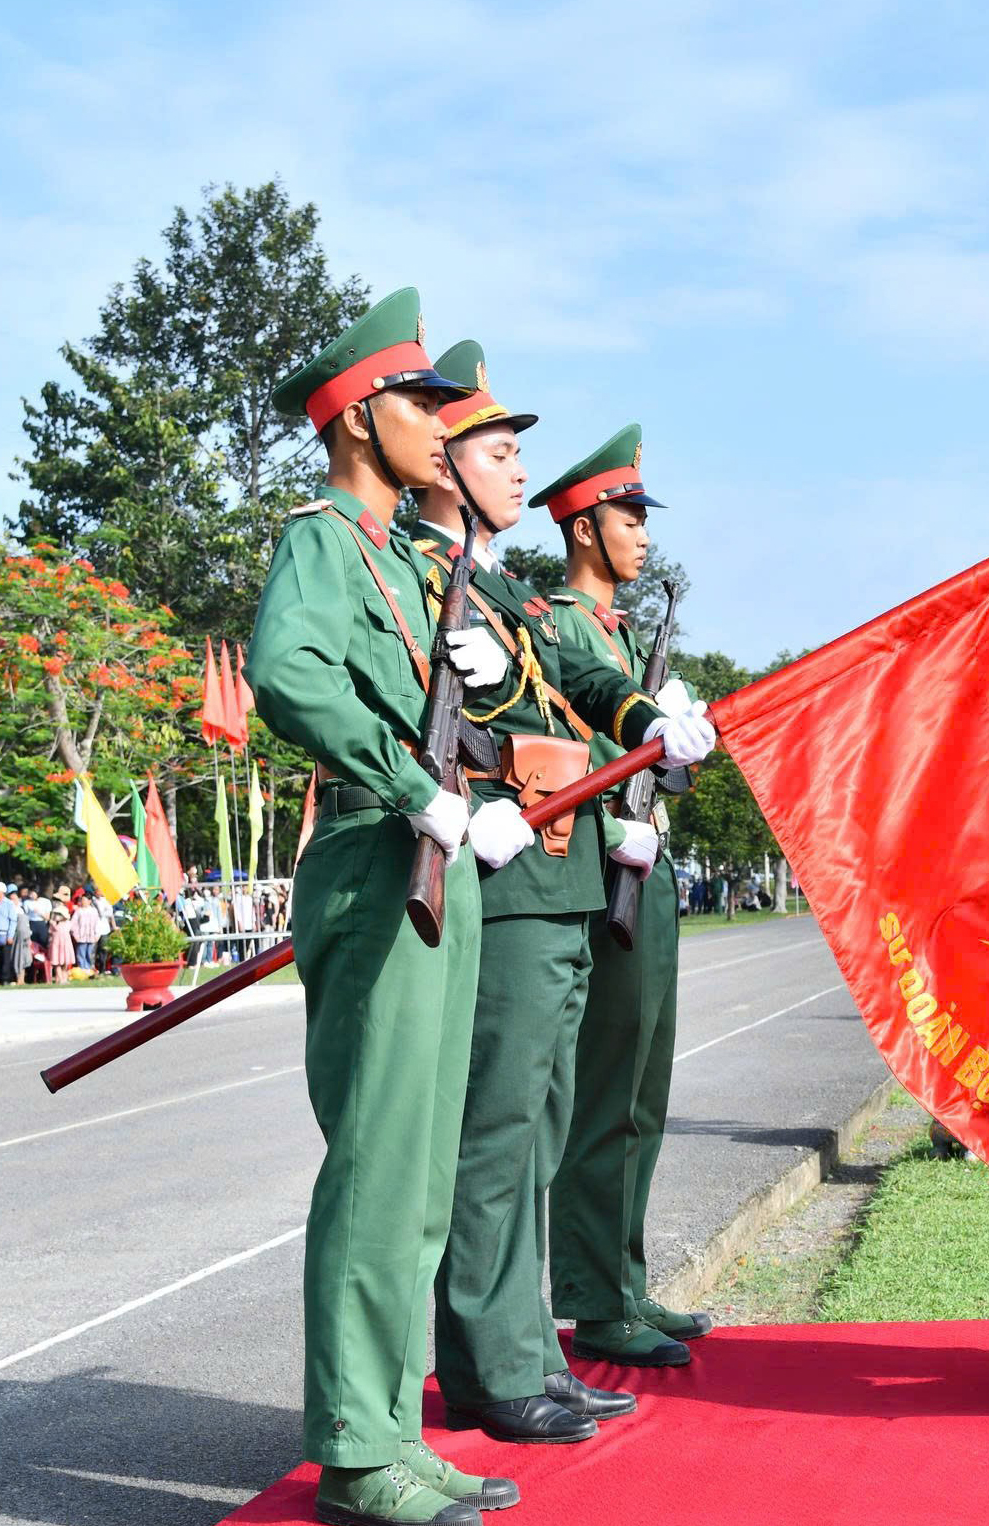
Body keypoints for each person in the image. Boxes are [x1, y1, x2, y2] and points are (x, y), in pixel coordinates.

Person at [250, 290, 708, 1526]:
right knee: (383, 1161)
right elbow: (288, 675)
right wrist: (419, 786)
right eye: (424, 405)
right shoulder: (325, 544)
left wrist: (527, 761)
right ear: (360, 420)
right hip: (379, 850)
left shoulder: (407, 556)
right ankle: (355, 1443)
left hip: (438, 855)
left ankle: (391, 1427)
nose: (444, 424)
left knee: (422, 1180)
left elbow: (519, 694)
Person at [407, 342, 641, 1444]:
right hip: (502, 876)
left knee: (535, 1128)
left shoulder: (507, 589)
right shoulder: (417, 568)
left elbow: (580, 675)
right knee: (493, 1132)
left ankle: (527, 1348)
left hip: (560, 875)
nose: (516, 474)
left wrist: (646, 718)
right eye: (497, 453)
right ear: (443, 465)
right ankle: (491, 1367)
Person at [536, 423, 716, 1370]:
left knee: (645, 1089)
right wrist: (616, 828)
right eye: (627, 515)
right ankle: (595, 1300)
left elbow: (654, 764)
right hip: (601, 869)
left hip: (650, 872)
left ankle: (625, 1278)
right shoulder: (558, 625)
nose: (642, 533)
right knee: (604, 1092)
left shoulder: (627, 634)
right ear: (581, 528)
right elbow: (562, 761)